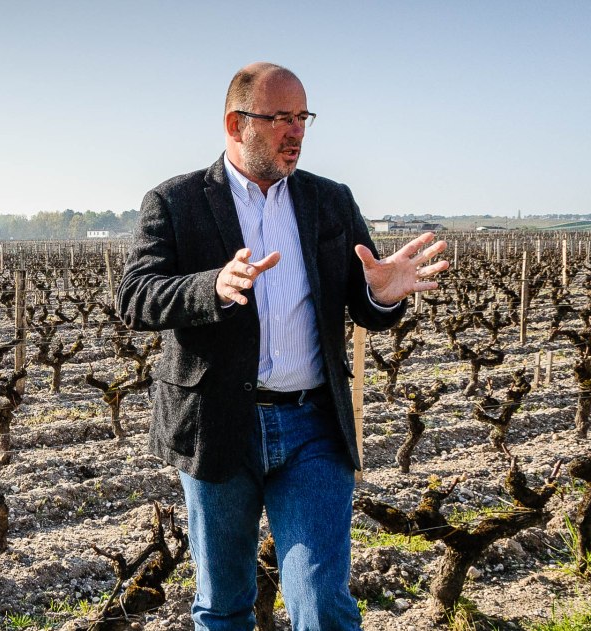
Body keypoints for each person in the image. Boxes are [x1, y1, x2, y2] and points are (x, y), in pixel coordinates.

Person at [115, 62, 448, 630]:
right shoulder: (176, 201)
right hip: (219, 423)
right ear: (235, 123)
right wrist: (211, 287)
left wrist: (382, 295)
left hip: (312, 424)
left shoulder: (330, 200)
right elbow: (135, 297)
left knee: (321, 602)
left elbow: (364, 301)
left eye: (302, 118)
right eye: (280, 119)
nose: (296, 132)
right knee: (224, 606)